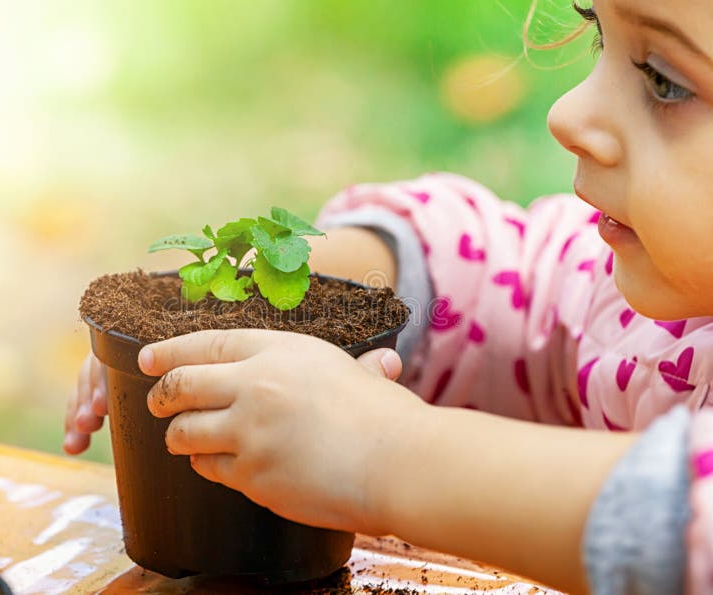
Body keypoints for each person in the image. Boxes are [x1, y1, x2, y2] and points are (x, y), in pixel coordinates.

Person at [63, 1, 713, 593]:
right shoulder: (652, 308)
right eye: (601, 34)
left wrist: (381, 452)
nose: (567, 114)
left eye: (664, 78)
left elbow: (686, 516)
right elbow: (508, 282)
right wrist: (295, 289)